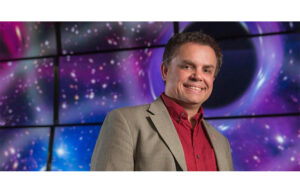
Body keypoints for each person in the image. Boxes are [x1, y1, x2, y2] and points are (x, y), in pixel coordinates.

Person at [90, 31, 233, 171]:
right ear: (165, 71)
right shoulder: (126, 122)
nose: (198, 76)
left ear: (213, 79)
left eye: (206, 70)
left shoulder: (221, 142)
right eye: (187, 66)